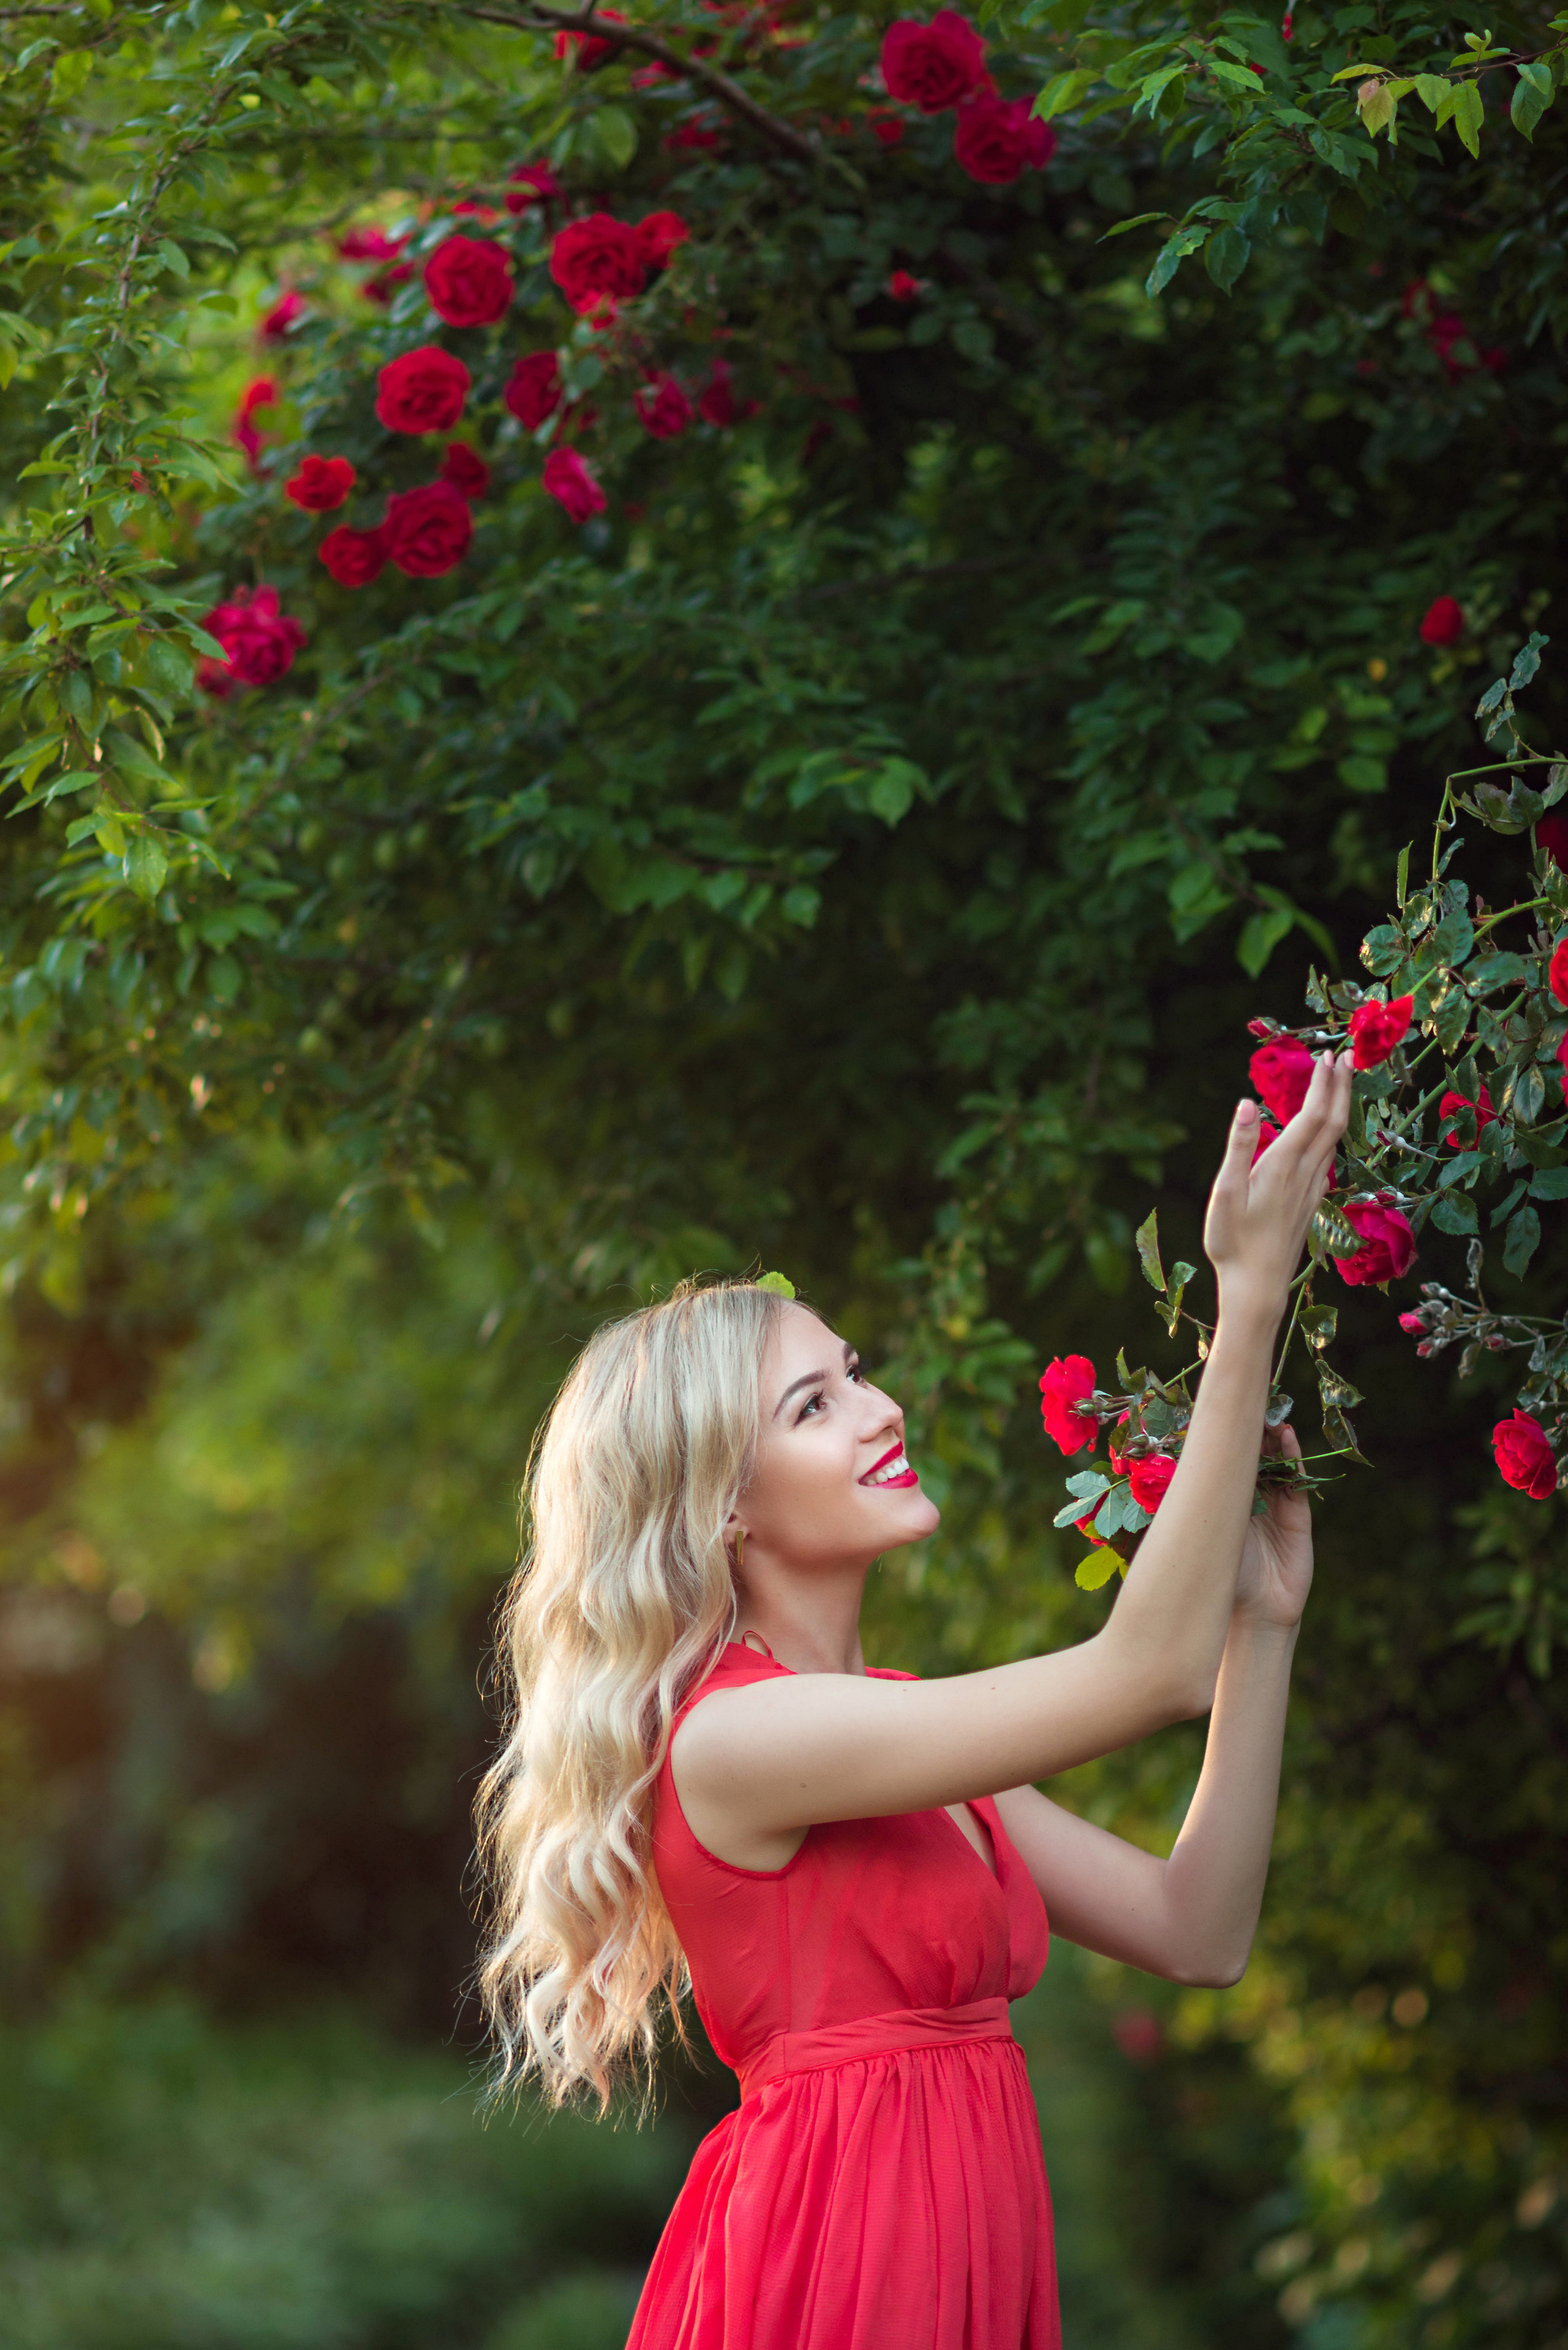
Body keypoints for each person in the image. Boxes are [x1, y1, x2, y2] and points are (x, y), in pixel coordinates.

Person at [475, 1054, 1354, 2349]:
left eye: (855, 1372)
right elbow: (1139, 1672)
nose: (882, 1410)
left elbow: (1195, 1929)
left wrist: (1258, 1632)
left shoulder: (893, 1732)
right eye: (814, 1404)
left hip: (957, 2263)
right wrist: (1246, 1301)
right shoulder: (738, 1737)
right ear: (724, 1502)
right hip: (838, 2265)